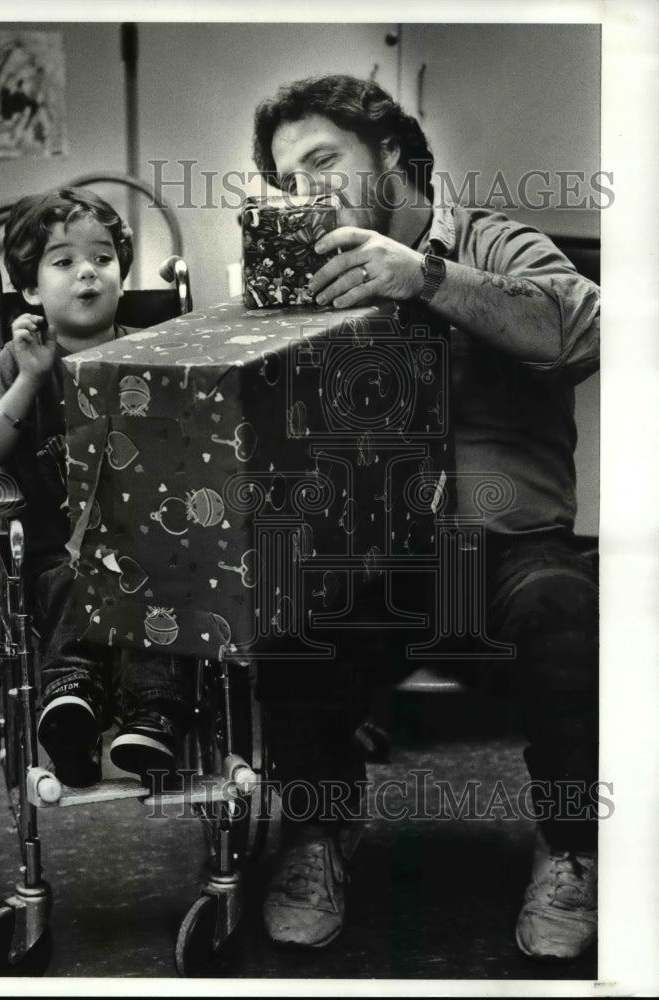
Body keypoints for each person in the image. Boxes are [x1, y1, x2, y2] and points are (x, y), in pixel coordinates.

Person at [251, 75, 599, 959]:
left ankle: (571, 847)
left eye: (324, 160)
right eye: (290, 177)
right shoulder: (307, 277)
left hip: (506, 550)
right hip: (372, 560)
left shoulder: (496, 241)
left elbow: (579, 332)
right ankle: (319, 835)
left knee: (566, 610)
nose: (308, 190)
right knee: (286, 598)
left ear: (394, 157)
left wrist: (425, 277)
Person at [0, 187, 193, 789]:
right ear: (33, 289)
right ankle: (70, 704)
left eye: (102, 258)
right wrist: (32, 377)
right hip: (55, 549)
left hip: (148, 541)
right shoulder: (20, 360)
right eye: (64, 261)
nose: (87, 271)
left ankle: (150, 719)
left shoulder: (154, 352)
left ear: (121, 273)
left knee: (161, 580)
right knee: (75, 576)